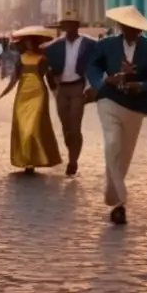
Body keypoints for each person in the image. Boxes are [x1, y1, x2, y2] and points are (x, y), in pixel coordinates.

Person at [84, 5, 147, 225]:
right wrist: (102, 83)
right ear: (121, 26)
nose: (132, 31)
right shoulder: (105, 45)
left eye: (136, 29)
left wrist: (141, 85)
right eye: (128, 27)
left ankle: (114, 196)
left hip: (136, 105)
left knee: (125, 153)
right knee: (112, 143)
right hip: (108, 99)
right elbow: (92, 68)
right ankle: (122, 200)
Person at [0, 27, 62, 174]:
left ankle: (34, 160)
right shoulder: (20, 59)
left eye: (30, 42)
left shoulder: (43, 58)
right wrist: (5, 92)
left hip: (38, 93)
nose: (28, 45)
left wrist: (57, 95)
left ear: (34, 43)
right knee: (23, 126)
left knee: (33, 126)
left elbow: (49, 79)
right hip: (22, 95)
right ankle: (26, 160)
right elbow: (15, 78)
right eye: (25, 42)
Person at [43, 10, 97, 176]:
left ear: (77, 26)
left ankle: (73, 160)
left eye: (71, 24)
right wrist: (53, 88)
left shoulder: (90, 44)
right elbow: (48, 70)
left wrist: (91, 86)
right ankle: (71, 148)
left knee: (75, 126)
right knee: (66, 127)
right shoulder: (54, 46)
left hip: (78, 88)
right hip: (62, 89)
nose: (67, 27)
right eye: (65, 24)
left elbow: (96, 66)